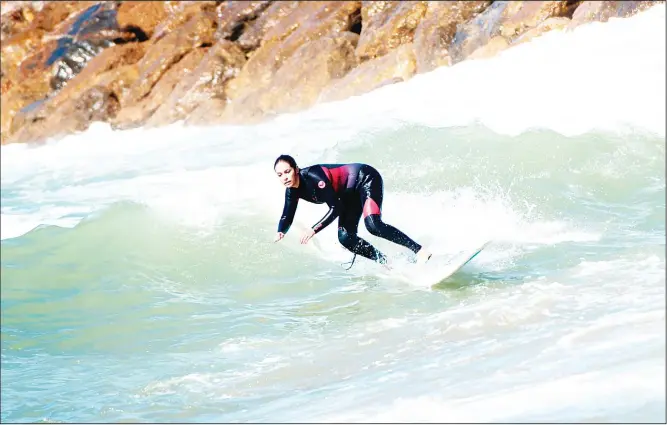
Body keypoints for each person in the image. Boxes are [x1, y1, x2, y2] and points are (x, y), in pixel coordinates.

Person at [273, 154, 432, 269]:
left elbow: (335, 208)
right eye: (280, 175)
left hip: (365, 179)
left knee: (373, 225)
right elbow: (287, 215)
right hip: (347, 195)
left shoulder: (314, 176)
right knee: (345, 238)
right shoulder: (291, 191)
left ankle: (420, 251)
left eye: (287, 172)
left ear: (296, 169)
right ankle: (387, 263)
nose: (285, 177)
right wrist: (281, 231)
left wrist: (313, 229)